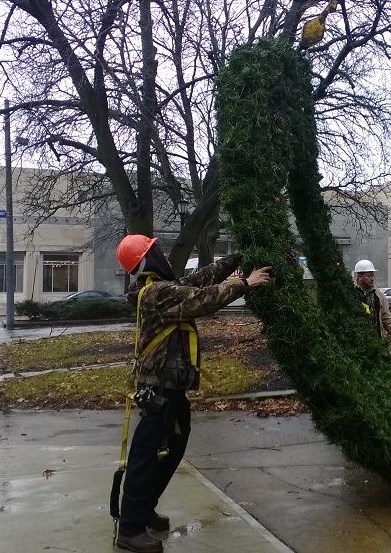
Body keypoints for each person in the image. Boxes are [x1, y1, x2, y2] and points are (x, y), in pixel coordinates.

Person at [113, 234, 271, 553]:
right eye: (156, 250)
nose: (162, 254)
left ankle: (143, 509)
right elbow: (204, 299)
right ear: (146, 261)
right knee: (146, 456)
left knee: (173, 447)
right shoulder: (156, 293)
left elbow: (202, 279)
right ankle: (130, 528)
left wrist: (237, 257)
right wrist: (246, 284)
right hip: (158, 388)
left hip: (172, 388)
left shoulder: (165, 286)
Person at [353, 259, 391, 341]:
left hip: (375, 338)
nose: (372, 278)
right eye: (369, 276)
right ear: (360, 276)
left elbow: (386, 316)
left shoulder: (378, 295)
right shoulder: (350, 292)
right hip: (356, 338)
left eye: (372, 275)